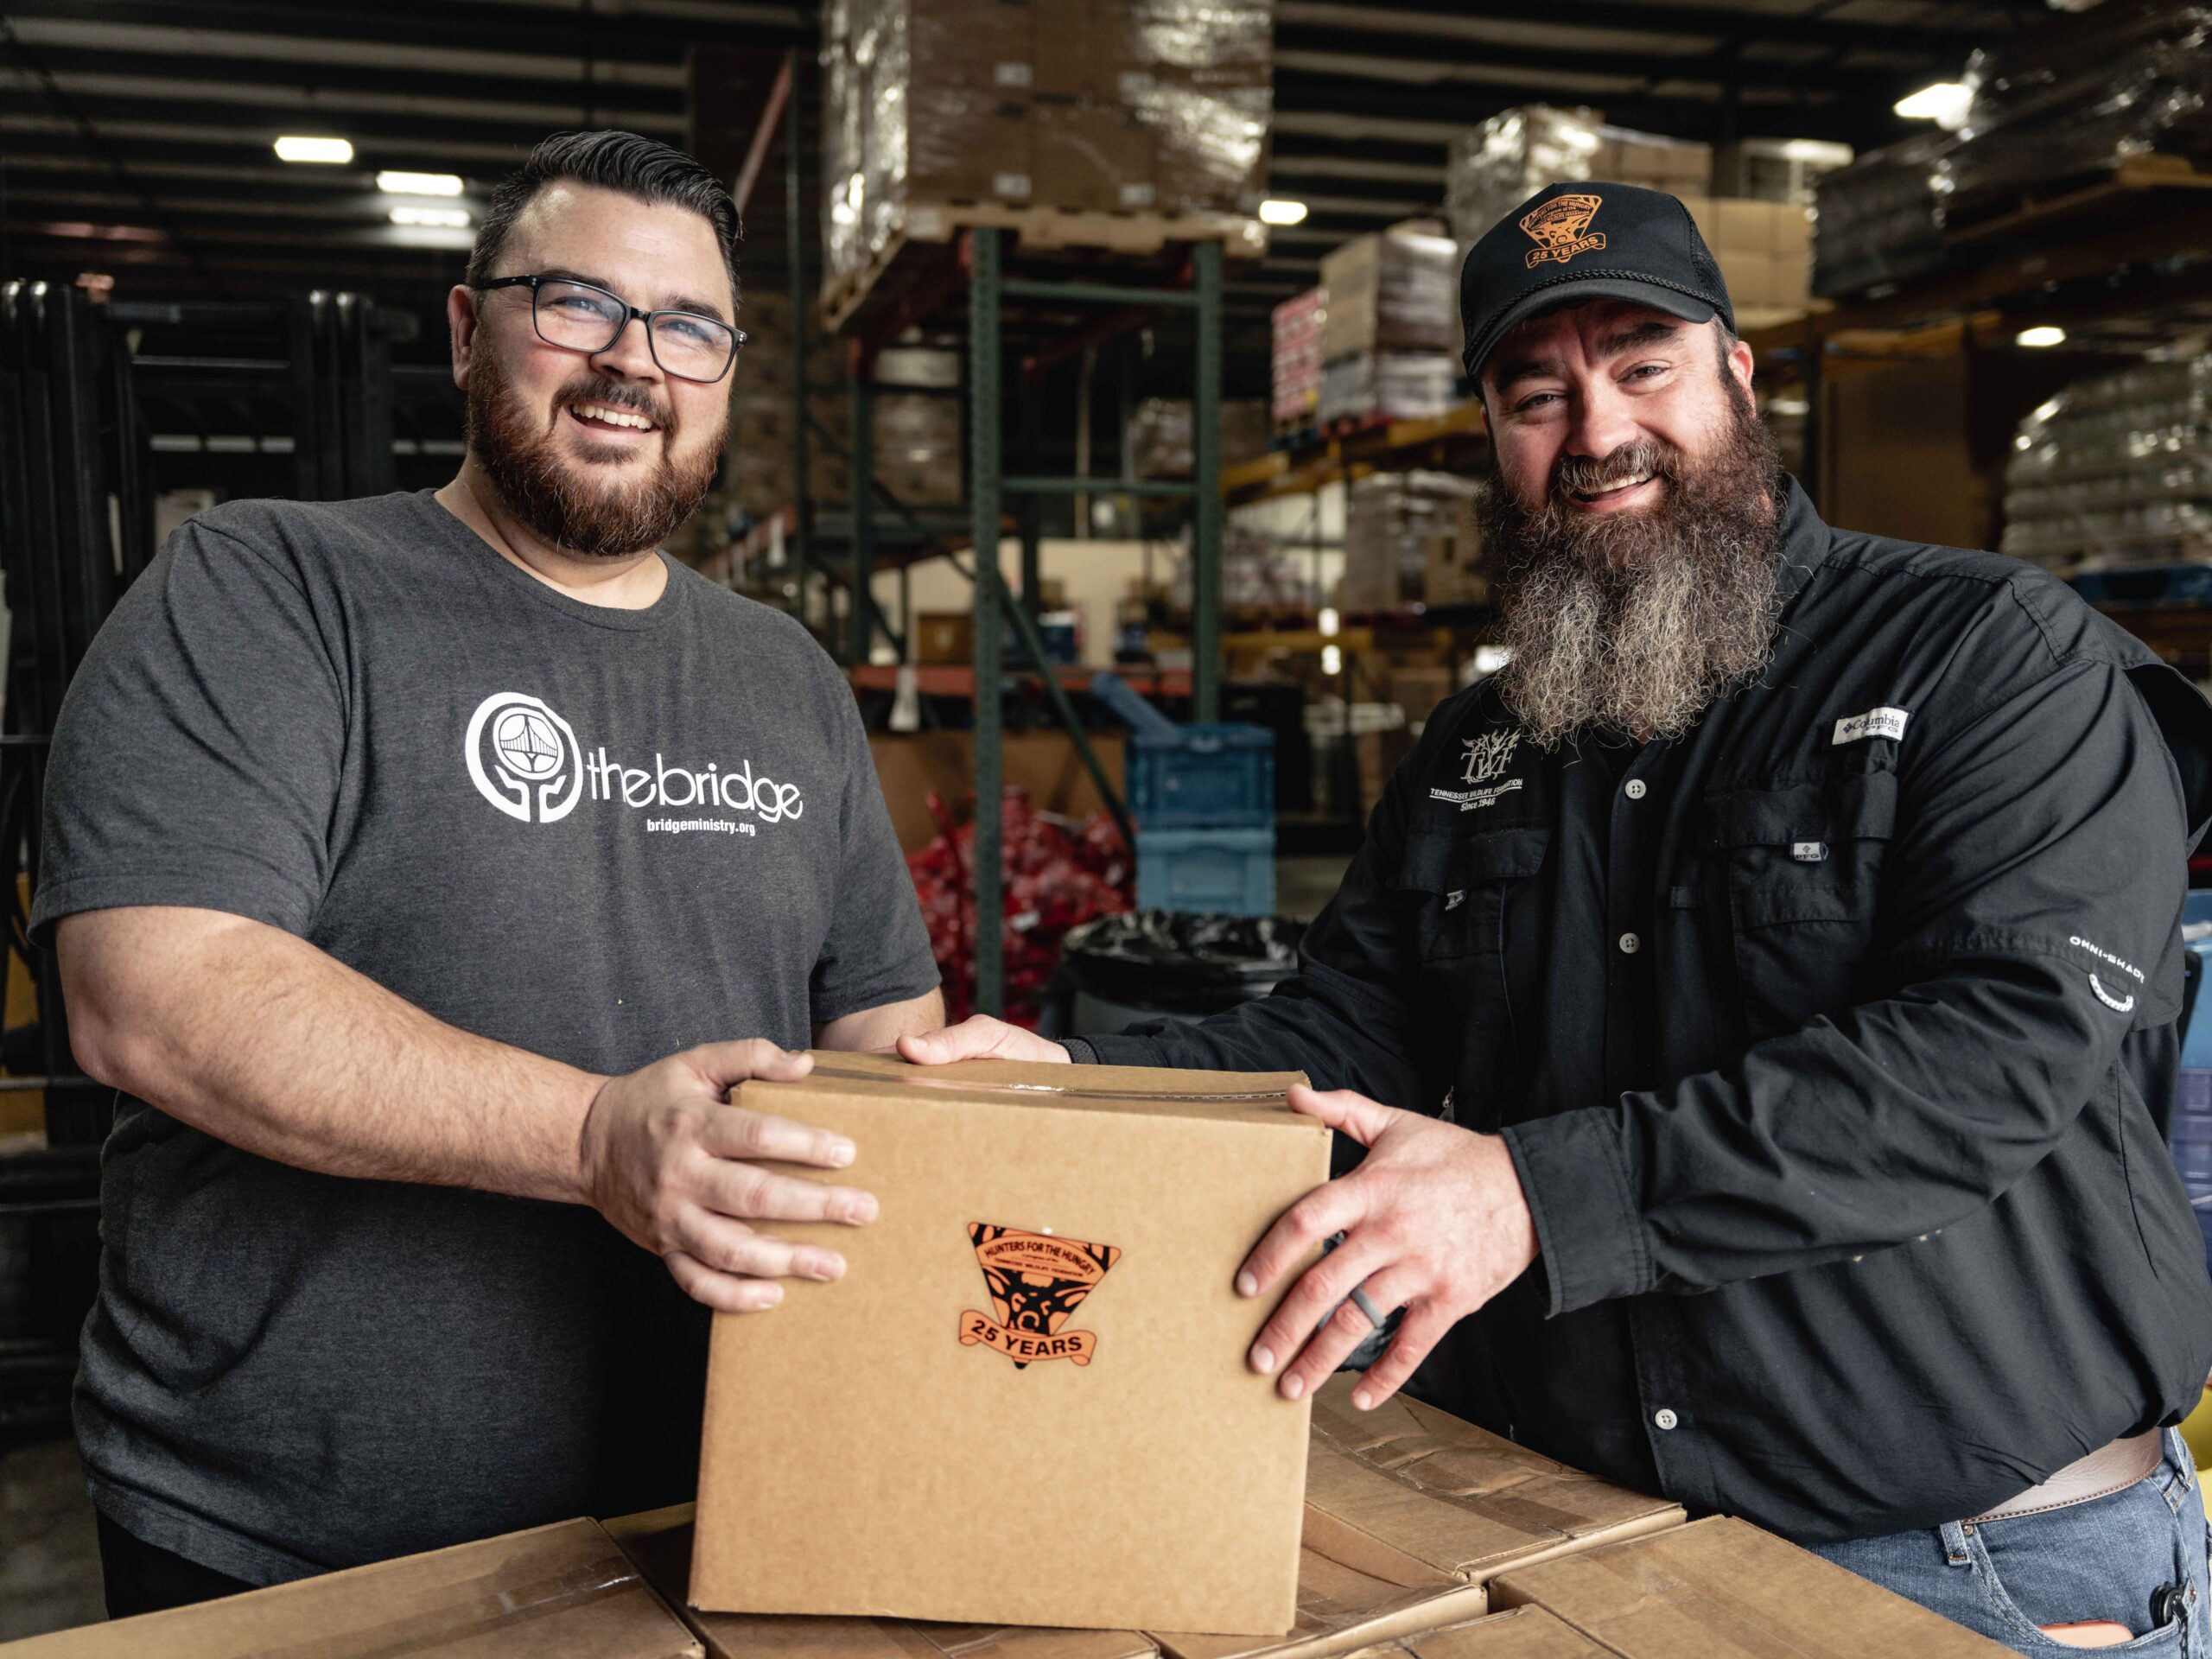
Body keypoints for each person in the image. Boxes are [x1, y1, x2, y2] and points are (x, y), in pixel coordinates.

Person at [904, 181, 2212, 1653]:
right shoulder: (1479, 745)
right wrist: (1078, 1086)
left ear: (1739, 376)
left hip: (1969, 1566)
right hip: (1568, 1531)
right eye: (1537, 396)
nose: (1595, 432)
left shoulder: (1994, 657)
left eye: (1643, 366)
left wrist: (1531, 1194)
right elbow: (1342, 1037)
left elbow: (1990, 1052)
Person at [38, 130, 943, 1616]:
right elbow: (154, 995)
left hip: (716, 1502)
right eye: (577, 304)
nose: (632, 362)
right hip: (293, 1537)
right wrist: (592, 1137)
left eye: (688, 328)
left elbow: (877, 1024)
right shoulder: (271, 588)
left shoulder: (785, 675)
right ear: (468, 331)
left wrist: (979, 1107)